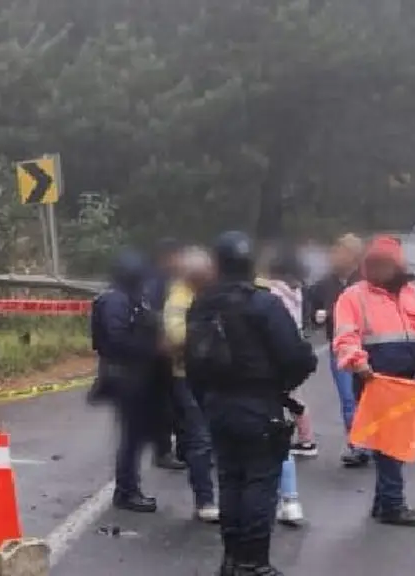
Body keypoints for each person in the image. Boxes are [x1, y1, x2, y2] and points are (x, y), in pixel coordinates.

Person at [187, 231, 318, 576]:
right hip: (258, 403)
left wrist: (206, 399)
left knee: (229, 480)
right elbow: (298, 357)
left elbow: (192, 362)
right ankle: (253, 561)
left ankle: (231, 559)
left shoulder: (202, 304)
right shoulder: (263, 303)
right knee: (260, 482)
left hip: (217, 403)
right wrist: (281, 387)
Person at [332, 234, 415, 527]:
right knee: (391, 444)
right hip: (374, 380)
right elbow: (345, 337)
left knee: (392, 443)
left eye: (385, 265)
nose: (379, 271)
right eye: (374, 265)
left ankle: (384, 503)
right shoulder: (354, 297)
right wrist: (359, 364)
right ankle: (393, 504)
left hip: (407, 381)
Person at [91, 249, 163, 513]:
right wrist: (151, 349)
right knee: (131, 437)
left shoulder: (127, 298)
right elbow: (116, 339)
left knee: (136, 435)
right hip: (125, 376)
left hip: (132, 375)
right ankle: (127, 491)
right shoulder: (116, 301)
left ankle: (129, 488)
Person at [255, 247, 315, 528]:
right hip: (285, 367)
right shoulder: (297, 292)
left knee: (259, 440)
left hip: (262, 373)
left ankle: (266, 501)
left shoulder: (270, 295)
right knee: (282, 433)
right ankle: (290, 500)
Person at [162, 246, 218, 522]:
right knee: (200, 439)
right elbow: (175, 335)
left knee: (214, 437)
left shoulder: (210, 294)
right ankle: (204, 499)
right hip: (187, 376)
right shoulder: (180, 297)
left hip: (213, 376)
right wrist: (206, 333)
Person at [308, 233, 367, 467]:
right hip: (339, 349)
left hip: (365, 347)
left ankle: (370, 441)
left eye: (340, 252)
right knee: (348, 398)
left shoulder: (365, 283)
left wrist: (330, 314)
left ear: (353, 257)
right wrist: (315, 316)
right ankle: (357, 444)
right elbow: (310, 306)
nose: (335, 257)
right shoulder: (324, 284)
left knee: (366, 397)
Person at [148, 237, 188, 470]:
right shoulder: (157, 281)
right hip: (160, 351)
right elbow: (154, 314)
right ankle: (163, 451)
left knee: (178, 404)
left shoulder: (173, 280)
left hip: (172, 351)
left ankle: (182, 448)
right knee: (166, 404)